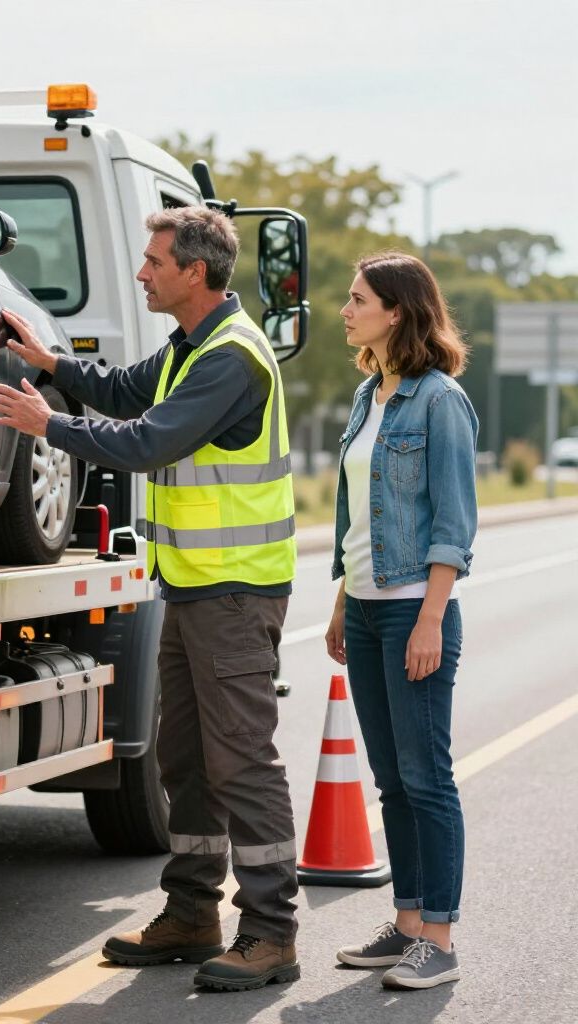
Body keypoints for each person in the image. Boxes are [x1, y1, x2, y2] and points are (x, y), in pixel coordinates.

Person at [0, 206, 300, 993]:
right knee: (185, 762)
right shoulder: (190, 347)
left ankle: (271, 934)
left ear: (196, 272)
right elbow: (126, 391)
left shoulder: (233, 358)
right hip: (192, 587)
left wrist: (45, 423)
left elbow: (147, 440)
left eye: (155, 261)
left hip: (234, 594)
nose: (142, 272)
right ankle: (193, 914)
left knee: (242, 764)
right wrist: (51, 363)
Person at [325, 250, 478, 990]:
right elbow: (356, 513)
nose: (345, 310)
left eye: (358, 299)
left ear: (397, 310)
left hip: (415, 611)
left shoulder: (438, 399)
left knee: (427, 779)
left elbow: (453, 521)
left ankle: (440, 940)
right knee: (391, 780)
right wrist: (339, 600)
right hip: (363, 608)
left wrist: (430, 618)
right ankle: (409, 924)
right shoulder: (368, 396)